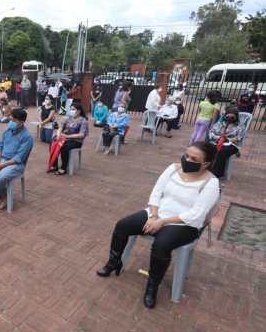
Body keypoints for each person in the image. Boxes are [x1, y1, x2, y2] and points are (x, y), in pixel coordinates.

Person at [96, 142, 220, 308]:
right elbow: (156, 192)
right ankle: (114, 262)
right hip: (157, 213)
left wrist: (163, 222)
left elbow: (196, 215)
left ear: (205, 163)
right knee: (122, 225)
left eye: (193, 158)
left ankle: (152, 286)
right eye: (186, 155)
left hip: (184, 224)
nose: (187, 159)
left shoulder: (211, 183)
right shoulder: (173, 169)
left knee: (161, 245)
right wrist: (154, 216)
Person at [0, 108, 33, 210]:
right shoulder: (8, 130)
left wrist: (2, 165)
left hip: (16, 165)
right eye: (10, 120)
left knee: (0, 177)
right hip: (2, 159)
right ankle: (4, 194)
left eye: (13, 121)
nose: (10, 122)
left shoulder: (27, 137)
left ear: (21, 122)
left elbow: (19, 158)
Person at [49, 102, 89, 175]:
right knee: (53, 142)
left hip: (76, 141)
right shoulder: (68, 118)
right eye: (70, 109)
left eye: (73, 109)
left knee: (64, 147)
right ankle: (55, 165)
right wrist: (58, 135)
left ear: (79, 111)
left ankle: (64, 167)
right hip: (65, 138)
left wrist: (67, 136)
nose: (71, 111)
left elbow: (81, 135)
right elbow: (60, 127)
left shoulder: (83, 121)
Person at [207, 108, 245, 178]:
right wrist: (218, 138)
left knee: (222, 150)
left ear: (236, 117)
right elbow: (211, 133)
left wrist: (227, 139)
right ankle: (206, 169)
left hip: (232, 145)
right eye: (228, 117)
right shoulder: (219, 124)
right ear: (225, 116)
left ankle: (216, 173)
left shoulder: (240, 126)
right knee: (207, 147)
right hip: (217, 141)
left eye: (232, 117)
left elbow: (239, 138)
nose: (230, 119)